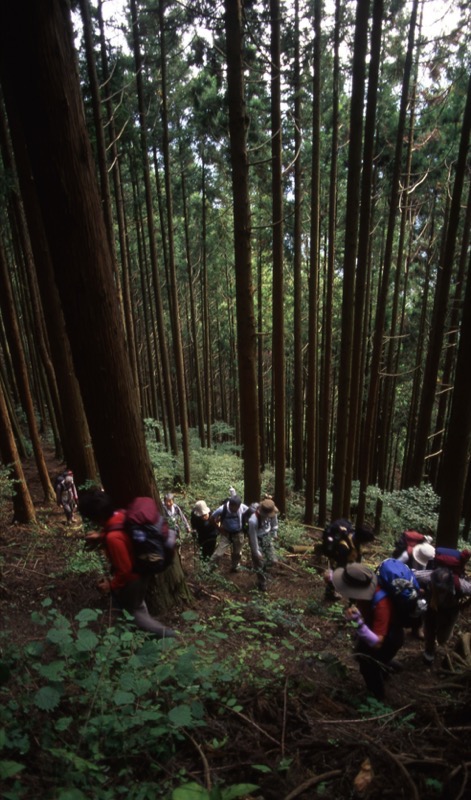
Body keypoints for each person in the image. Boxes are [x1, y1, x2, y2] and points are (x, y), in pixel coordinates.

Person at [78, 489, 175, 638]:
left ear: (96, 517)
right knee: (137, 606)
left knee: (132, 612)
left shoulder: (113, 538)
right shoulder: (121, 514)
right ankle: (145, 639)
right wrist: (101, 536)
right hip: (141, 570)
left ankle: (165, 634)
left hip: (134, 579)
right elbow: (120, 530)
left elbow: (125, 570)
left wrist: (111, 585)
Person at [331, 562, 405, 701]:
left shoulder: (381, 604)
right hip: (376, 629)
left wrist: (359, 623)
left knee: (368, 666)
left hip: (390, 638)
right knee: (360, 653)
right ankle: (388, 667)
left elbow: (377, 642)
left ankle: (378, 699)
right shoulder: (367, 589)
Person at [415, 566, 471, 665]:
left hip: (450, 610)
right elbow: (409, 574)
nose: (438, 589)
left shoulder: (461, 585)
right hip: (430, 608)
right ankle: (429, 652)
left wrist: (463, 606)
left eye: (441, 588)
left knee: (443, 637)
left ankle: (439, 641)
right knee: (429, 630)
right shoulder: (425, 576)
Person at [323, 520, 375, 601]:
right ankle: (331, 593)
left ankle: (350, 598)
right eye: (366, 542)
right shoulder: (344, 546)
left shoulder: (354, 540)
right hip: (341, 561)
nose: (366, 544)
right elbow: (340, 564)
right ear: (362, 539)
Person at [210, 494, 249, 572]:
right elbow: (212, 518)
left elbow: (251, 514)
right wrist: (219, 528)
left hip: (238, 533)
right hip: (226, 534)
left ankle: (235, 567)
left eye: (236, 507)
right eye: (232, 506)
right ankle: (209, 569)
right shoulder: (222, 509)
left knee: (237, 553)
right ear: (230, 504)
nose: (233, 509)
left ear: (239, 506)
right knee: (218, 554)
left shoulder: (243, 508)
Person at [247, 498, 279, 591]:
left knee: (273, 560)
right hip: (257, 538)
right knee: (259, 562)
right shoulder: (253, 520)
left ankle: (265, 571)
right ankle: (262, 582)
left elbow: (274, 524)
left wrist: (274, 534)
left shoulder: (272, 513)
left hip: (267, 537)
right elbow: (253, 538)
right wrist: (256, 551)